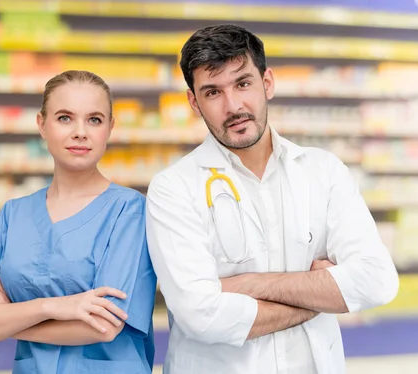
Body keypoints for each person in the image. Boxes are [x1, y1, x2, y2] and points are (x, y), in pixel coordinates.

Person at [145, 24, 399, 374]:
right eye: (213, 92)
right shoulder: (173, 189)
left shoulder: (323, 172)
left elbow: (377, 282)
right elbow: (201, 316)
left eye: (243, 83)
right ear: (194, 102)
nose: (233, 105)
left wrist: (250, 285)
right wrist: (320, 298)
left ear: (267, 83)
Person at [0, 70, 157, 374]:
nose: (80, 132)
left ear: (110, 128)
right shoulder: (14, 215)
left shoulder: (128, 211)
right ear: (42, 125)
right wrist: (52, 307)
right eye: (65, 118)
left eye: (95, 119)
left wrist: (8, 319)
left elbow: (104, 325)